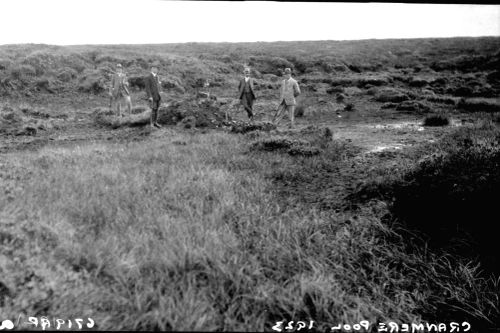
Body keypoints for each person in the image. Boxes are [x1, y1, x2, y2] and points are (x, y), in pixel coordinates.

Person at [144, 64, 162, 129]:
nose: (156, 70)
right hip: (152, 96)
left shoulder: (157, 77)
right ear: (151, 69)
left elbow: (159, 86)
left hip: (158, 96)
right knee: (153, 110)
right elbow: (147, 88)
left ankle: (155, 122)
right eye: (154, 68)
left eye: (157, 68)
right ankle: (151, 124)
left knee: (157, 109)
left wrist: (161, 92)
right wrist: (149, 96)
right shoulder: (148, 77)